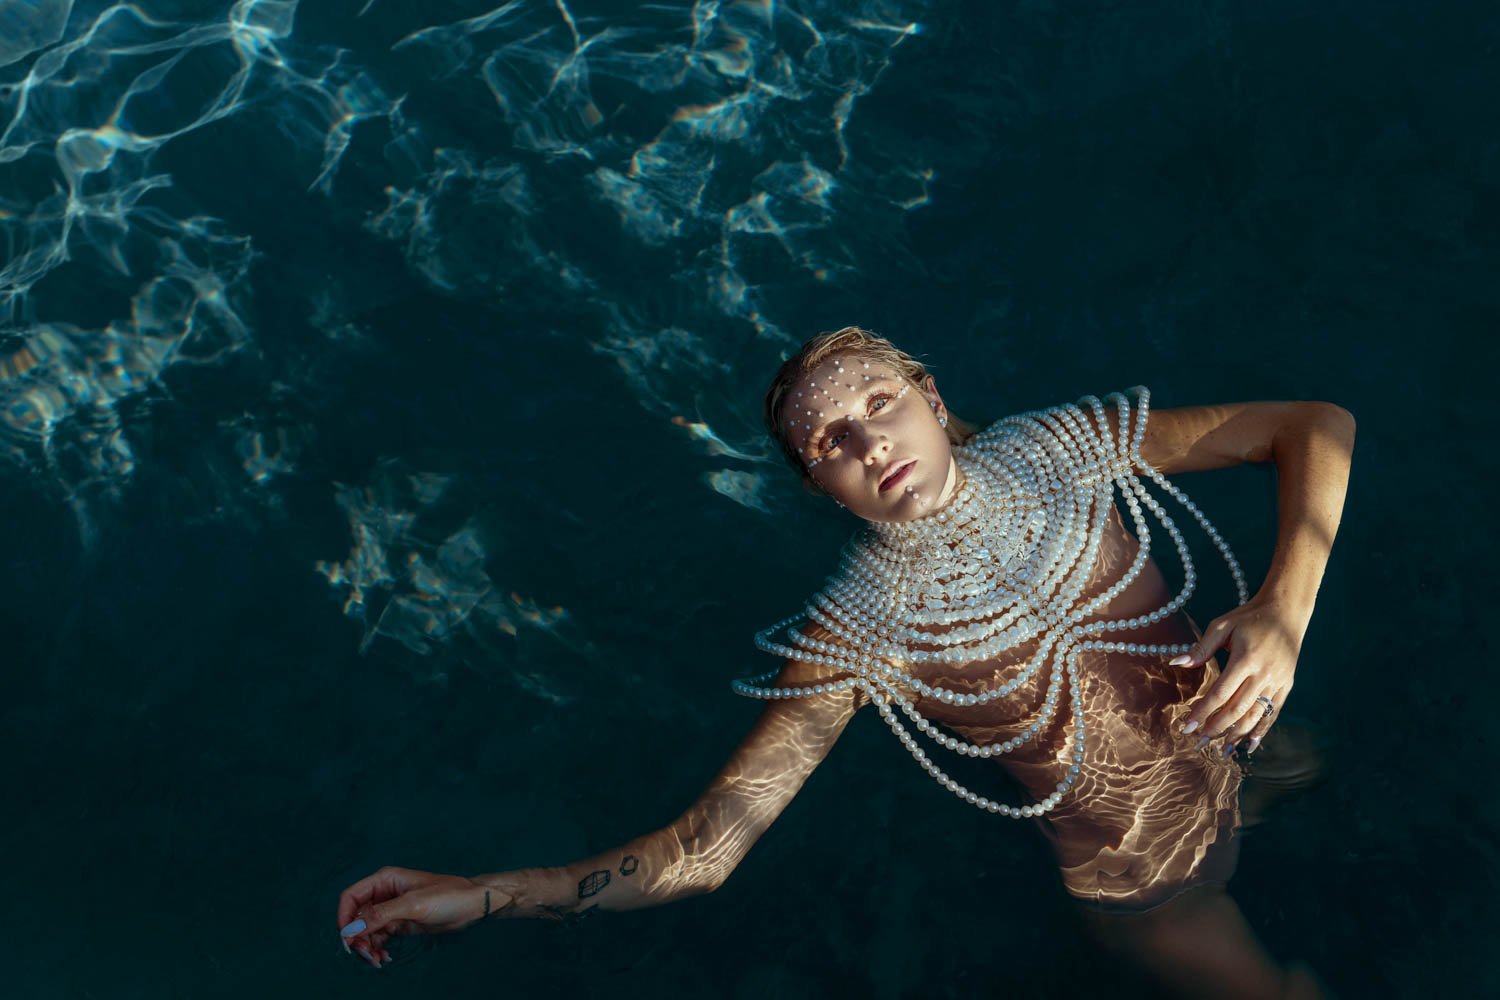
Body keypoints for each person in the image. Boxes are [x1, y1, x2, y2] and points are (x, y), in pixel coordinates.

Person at [335, 326, 1355, 998]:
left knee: (1306, 773)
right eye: (829, 443)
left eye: (876, 401)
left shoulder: (1068, 449)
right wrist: (487, 893)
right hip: (1158, 877)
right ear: (826, 491)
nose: (866, 440)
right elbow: (709, 845)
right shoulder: (858, 636)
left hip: (1242, 740)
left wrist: (1282, 612)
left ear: (928, 391)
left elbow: (1316, 427)